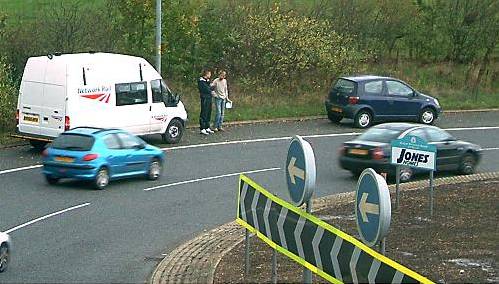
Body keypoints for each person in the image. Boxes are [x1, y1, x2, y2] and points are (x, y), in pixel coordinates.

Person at [198, 69, 214, 135]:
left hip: (209, 98)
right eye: (209, 74)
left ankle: (207, 126)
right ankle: (202, 128)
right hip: (204, 98)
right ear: (206, 74)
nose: (210, 75)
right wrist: (210, 89)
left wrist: (211, 88)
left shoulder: (207, 81)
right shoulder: (201, 81)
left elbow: (211, 87)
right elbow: (207, 89)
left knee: (208, 112)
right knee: (204, 112)